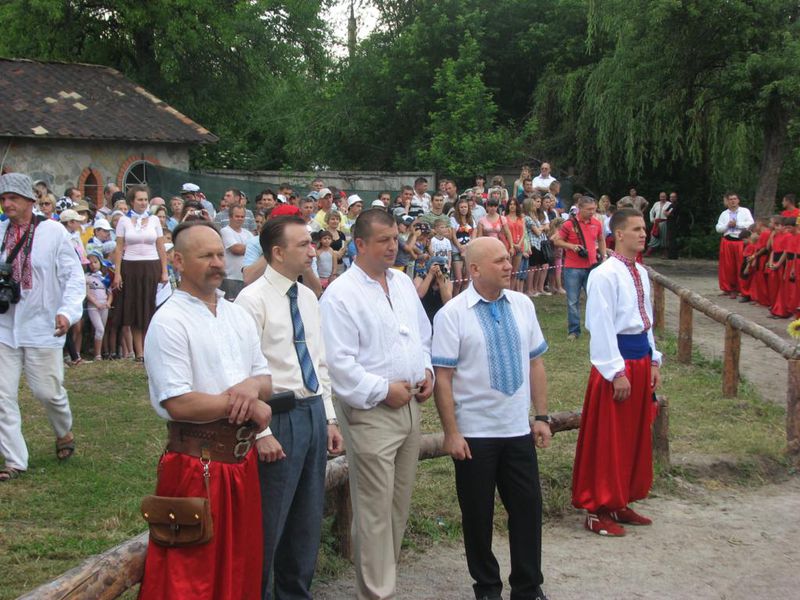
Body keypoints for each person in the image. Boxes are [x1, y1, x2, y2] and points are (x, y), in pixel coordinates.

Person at [138, 221, 273, 600]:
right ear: (178, 261)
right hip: (196, 467)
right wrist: (249, 405)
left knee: (239, 568)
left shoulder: (236, 315)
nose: (217, 263)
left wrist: (250, 389)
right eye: (206, 256)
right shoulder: (169, 321)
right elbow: (178, 403)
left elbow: (264, 378)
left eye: (219, 254)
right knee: (191, 578)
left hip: (240, 464)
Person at [320, 209, 433, 600]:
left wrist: (428, 371)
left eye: (396, 237)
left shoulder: (401, 283)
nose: (393, 246)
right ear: (360, 244)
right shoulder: (341, 295)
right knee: (373, 509)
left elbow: (422, 333)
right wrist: (383, 389)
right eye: (384, 239)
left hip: (410, 407)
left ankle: (384, 579)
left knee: (398, 505)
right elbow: (340, 364)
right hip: (371, 412)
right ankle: (377, 593)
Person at [432, 236, 551, 600]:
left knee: (528, 511)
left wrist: (541, 416)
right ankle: (486, 587)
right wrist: (451, 432)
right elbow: (443, 378)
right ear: (475, 269)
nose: (507, 265)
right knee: (478, 515)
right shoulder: (452, 314)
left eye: (508, 258)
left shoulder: (522, 305)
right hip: (475, 434)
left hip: (517, 429)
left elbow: (536, 362)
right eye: (498, 260)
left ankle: (528, 588)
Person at [235, 215, 344, 600]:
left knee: (306, 517)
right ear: (278, 253)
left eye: (311, 243)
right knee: (271, 519)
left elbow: (319, 361)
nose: (312, 250)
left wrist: (329, 417)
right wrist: (260, 432)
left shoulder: (309, 297)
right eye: (303, 245)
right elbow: (244, 372)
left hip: (312, 412)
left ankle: (295, 593)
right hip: (276, 418)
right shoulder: (251, 301)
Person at [571, 208, 663, 537]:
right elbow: (600, 324)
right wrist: (615, 371)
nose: (643, 233)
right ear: (619, 234)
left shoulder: (641, 272)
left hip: (640, 361)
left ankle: (620, 498)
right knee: (608, 438)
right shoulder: (605, 274)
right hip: (617, 365)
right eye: (637, 229)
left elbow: (646, 320)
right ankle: (597, 508)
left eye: (645, 228)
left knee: (631, 436)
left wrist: (654, 361)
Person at [0, 173, 84, 481]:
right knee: (1, 395)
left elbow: (74, 276)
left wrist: (67, 312)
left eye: (13, 198)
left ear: (29, 201)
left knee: (48, 393)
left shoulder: (53, 232)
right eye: (3, 198)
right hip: (5, 325)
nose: (6, 204)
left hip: (42, 325)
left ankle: (63, 431)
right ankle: (15, 461)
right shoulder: (0, 232)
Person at [112, 185, 168, 360]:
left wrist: (164, 271)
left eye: (145, 199)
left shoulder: (154, 221)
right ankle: (140, 352)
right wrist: (117, 273)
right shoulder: (123, 221)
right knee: (135, 310)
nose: (143, 203)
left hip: (151, 267)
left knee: (150, 308)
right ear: (132, 201)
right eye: (139, 199)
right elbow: (119, 248)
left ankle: (151, 349)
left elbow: (161, 247)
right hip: (131, 267)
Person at [553, 196, 607, 340]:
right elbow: (556, 240)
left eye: (594, 209)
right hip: (572, 267)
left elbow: (601, 240)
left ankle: (596, 328)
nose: (592, 212)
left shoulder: (597, 223)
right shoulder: (569, 224)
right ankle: (574, 330)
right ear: (580, 208)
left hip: (592, 265)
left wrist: (604, 256)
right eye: (589, 209)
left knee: (594, 298)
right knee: (573, 300)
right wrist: (571, 247)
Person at [715, 192, 754, 299]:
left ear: (738, 200)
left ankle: (742, 288)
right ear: (727, 201)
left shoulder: (745, 211)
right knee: (728, 266)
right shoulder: (724, 214)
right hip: (728, 241)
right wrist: (727, 225)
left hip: (740, 241)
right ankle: (729, 288)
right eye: (731, 199)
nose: (733, 201)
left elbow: (750, 224)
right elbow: (718, 228)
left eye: (735, 199)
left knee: (741, 265)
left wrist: (737, 225)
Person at [220, 204, 254, 300]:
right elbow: (236, 249)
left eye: (242, 217)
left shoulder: (248, 234)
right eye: (237, 216)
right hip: (230, 279)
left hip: (246, 279)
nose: (240, 219)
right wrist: (251, 248)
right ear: (230, 217)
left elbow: (257, 252)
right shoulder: (225, 231)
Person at [644, 192, 671, 257]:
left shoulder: (669, 204)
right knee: (653, 236)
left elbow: (670, 213)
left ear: (666, 197)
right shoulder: (656, 203)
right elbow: (651, 212)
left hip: (664, 222)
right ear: (659, 197)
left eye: (663, 197)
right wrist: (652, 219)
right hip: (656, 222)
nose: (662, 198)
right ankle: (648, 252)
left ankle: (664, 254)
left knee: (664, 237)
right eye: (661, 197)